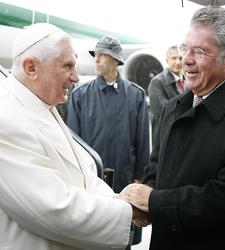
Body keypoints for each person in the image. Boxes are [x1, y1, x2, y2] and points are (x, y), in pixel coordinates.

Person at [118, 6, 225, 250]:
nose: (186, 59)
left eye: (199, 51)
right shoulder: (174, 107)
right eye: (185, 48)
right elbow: (157, 164)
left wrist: (155, 203)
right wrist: (144, 195)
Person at [0, 23, 134, 250]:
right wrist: (128, 211)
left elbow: (83, 173)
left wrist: (118, 200)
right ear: (32, 68)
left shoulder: (42, 103)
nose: (75, 77)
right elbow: (52, 208)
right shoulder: (6, 118)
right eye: (67, 66)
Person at [67, 35, 150, 248]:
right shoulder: (80, 95)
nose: (97, 59)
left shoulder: (136, 95)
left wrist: (140, 177)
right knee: (92, 236)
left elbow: (142, 140)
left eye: (103, 55)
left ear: (116, 60)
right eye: (96, 55)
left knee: (123, 237)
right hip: (91, 181)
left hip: (125, 178)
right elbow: (73, 143)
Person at [148, 45, 186, 145]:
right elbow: (163, 113)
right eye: (174, 58)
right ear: (167, 60)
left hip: (184, 138)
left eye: (181, 58)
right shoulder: (157, 82)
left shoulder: (188, 81)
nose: (178, 62)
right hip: (166, 139)